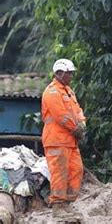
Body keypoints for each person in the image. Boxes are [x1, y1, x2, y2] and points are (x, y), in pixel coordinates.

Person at [41, 58, 85, 219]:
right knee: (59, 172)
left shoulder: (69, 91)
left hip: (70, 140)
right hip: (56, 139)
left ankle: (67, 203)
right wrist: (76, 128)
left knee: (76, 170)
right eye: (69, 73)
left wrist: (82, 123)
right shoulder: (52, 92)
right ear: (59, 73)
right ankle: (58, 205)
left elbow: (77, 110)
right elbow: (61, 115)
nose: (71, 76)